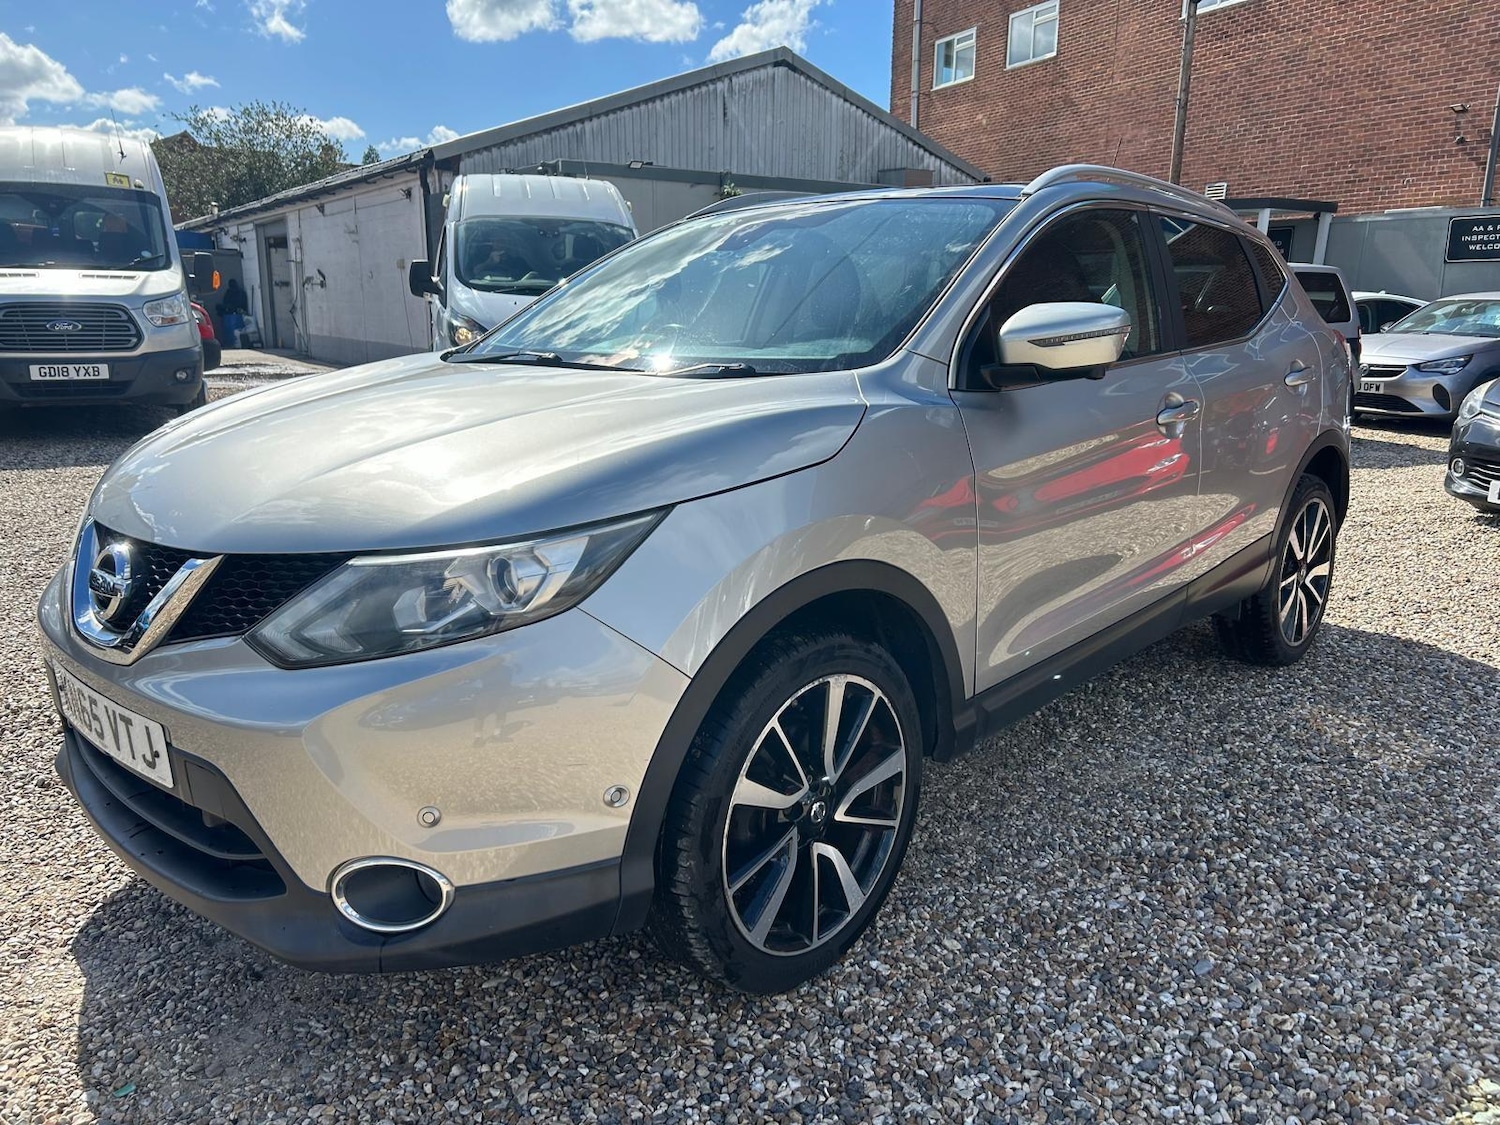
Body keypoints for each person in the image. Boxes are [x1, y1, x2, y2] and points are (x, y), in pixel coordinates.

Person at [217, 278, 249, 347]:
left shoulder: (237, 292)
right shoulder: (234, 291)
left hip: (234, 312)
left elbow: (229, 302)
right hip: (232, 312)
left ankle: (231, 342)